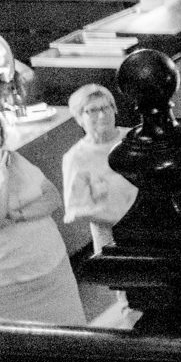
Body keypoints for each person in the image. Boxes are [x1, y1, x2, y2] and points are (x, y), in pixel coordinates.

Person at [0, 141, 85, 325]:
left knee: (74, 340)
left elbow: (52, 198)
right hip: (8, 290)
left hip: (53, 273)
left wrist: (17, 215)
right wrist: (3, 178)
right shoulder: (4, 167)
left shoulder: (12, 159)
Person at [60, 83, 136, 253]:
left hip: (151, 231)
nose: (102, 115)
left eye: (106, 107)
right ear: (79, 119)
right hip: (113, 241)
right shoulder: (76, 157)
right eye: (92, 110)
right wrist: (121, 220)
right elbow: (77, 209)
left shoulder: (134, 138)